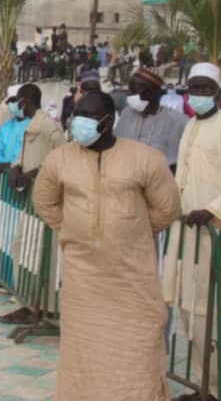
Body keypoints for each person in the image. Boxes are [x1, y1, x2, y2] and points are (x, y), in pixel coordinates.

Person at [33, 91, 181, 401]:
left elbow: (167, 209)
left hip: (132, 280)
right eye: (77, 114)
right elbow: (44, 203)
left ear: (108, 120)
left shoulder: (145, 158)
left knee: (138, 354)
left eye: (87, 115)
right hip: (83, 280)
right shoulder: (60, 158)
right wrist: (74, 230)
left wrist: (131, 233)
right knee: (83, 358)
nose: (79, 121)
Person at [162, 62, 221, 401]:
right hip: (186, 231)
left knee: (205, 313)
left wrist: (213, 211)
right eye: (193, 88)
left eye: (205, 89)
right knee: (187, 310)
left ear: (219, 93)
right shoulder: (190, 127)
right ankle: (203, 386)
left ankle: (219, 390)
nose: (198, 95)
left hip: (213, 232)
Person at [0, 82, 65, 324]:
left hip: (46, 200)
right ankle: (25, 300)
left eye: (18, 100)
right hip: (31, 200)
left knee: (39, 253)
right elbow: (22, 155)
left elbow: (61, 158)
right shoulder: (31, 127)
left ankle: (41, 305)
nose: (16, 105)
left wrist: (33, 173)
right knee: (21, 247)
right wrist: (17, 168)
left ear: (26, 101)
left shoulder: (49, 127)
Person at [116, 67, 189, 174]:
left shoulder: (179, 122)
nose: (134, 96)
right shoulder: (127, 113)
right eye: (131, 91)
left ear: (156, 91)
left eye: (139, 90)